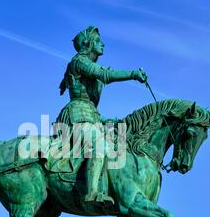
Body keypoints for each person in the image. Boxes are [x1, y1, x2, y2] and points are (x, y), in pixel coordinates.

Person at [56, 26, 147, 206]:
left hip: (90, 116)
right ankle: (92, 192)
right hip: (76, 116)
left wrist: (105, 120)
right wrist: (133, 74)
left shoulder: (88, 65)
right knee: (98, 146)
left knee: (118, 143)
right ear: (87, 44)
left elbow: (90, 103)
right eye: (98, 41)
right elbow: (105, 75)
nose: (102, 44)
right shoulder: (79, 62)